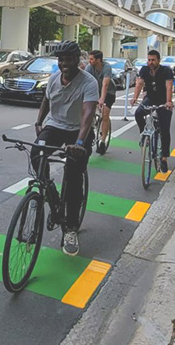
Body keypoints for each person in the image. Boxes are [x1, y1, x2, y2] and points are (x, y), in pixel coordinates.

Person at [33, 41, 98, 256]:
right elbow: (46, 100)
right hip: (55, 125)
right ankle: (50, 191)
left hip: (79, 131)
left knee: (73, 175)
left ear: (77, 60)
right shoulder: (53, 78)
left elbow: (88, 114)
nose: (64, 64)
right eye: (61, 60)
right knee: (36, 153)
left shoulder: (88, 82)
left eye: (68, 60)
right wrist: (39, 122)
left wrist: (79, 144)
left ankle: (70, 228)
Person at [131, 50, 174, 174]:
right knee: (138, 113)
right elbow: (139, 84)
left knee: (165, 129)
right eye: (149, 60)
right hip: (150, 98)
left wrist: (169, 102)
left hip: (163, 101)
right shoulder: (144, 70)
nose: (150, 62)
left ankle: (164, 158)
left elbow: (169, 87)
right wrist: (135, 98)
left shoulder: (166, 71)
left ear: (158, 60)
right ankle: (144, 135)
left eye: (153, 60)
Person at [86, 50, 115, 154]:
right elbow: (86, 82)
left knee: (105, 114)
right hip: (95, 91)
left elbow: (105, 84)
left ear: (98, 60)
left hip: (109, 92)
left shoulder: (106, 67)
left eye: (91, 59)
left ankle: (102, 141)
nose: (89, 61)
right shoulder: (89, 68)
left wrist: (102, 99)